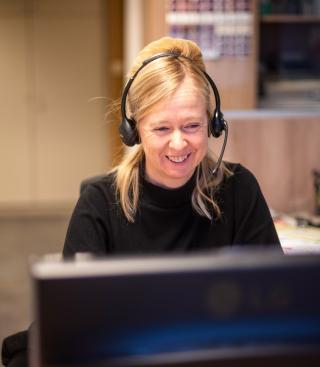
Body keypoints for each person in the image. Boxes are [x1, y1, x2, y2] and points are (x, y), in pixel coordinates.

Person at [2, 36, 281, 367]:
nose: (179, 144)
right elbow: (70, 325)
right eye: (161, 128)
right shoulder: (99, 203)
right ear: (133, 131)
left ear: (214, 123)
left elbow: (276, 305)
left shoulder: (239, 190)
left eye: (192, 125)